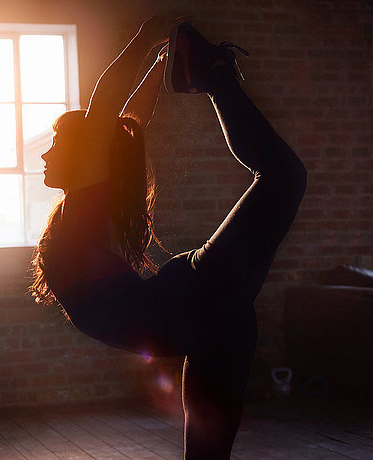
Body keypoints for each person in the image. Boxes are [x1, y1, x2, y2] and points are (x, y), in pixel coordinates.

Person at [30, 15, 307, 459]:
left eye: (57, 142)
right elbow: (129, 124)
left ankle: (214, 79)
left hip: (191, 299)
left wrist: (148, 40)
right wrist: (164, 61)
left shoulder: (83, 205)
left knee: (284, 177)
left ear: (84, 155)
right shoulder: (84, 207)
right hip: (200, 318)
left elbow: (112, 112)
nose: (45, 152)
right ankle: (207, 74)